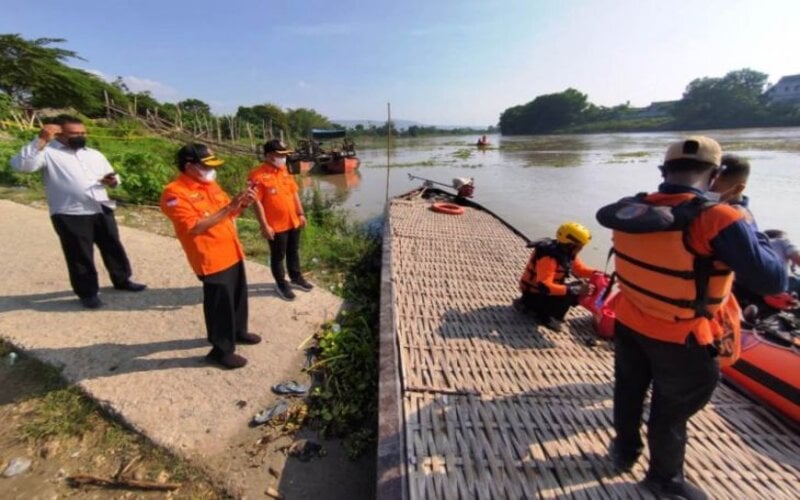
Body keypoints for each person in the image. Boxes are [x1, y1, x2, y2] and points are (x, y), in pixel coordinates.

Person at [598, 136, 786, 499]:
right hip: (683, 338)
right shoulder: (720, 218)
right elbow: (771, 280)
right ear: (715, 176)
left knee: (629, 389)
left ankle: (624, 450)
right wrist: (744, 215)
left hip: (630, 320)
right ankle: (663, 480)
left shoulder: (634, 208)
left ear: (662, 171)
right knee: (672, 410)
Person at [10, 115, 146, 309]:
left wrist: (113, 181)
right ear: (58, 133)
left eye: (83, 132)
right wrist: (40, 140)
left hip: (100, 206)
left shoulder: (94, 154)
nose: (80, 136)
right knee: (80, 254)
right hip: (69, 212)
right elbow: (22, 166)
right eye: (74, 133)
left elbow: (114, 176)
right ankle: (88, 292)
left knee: (112, 246)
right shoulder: (47, 153)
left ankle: (122, 280)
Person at [160, 144, 259, 369]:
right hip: (210, 258)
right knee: (219, 305)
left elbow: (228, 211)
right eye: (206, 166)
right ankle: (220, 350)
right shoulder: (174, 193)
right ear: (189, 166)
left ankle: (238, 331)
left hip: (231, 250)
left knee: (237, 296)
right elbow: (195, 227)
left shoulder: (210, 185)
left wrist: (242, 203)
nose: (211, 171)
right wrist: (230, 207)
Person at [248, 139, 314, 301]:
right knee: (278, 256)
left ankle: (296, 277)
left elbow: (294, 193)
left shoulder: (285, 170)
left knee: (294, 251)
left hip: (293, 221)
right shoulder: (257, 175)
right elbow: (256, 203)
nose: (284, 158)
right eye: (281, 155)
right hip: (276, 225)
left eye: (285, 155)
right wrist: (264, 226)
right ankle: (281, 283)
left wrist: (301, 213)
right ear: (269, 155)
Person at [513, 222, 597, 329]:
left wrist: (599, 273)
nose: (581, 249)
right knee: (573, 291)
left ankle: (539, 308)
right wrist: (574, 289)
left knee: (579, 286)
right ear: (570, 245)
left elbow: (580, 270)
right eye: (580, 246)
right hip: (534, 294)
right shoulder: (549, 258)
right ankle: (546, 316)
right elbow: (545, 287)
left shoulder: (566, 253)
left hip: (544, 293)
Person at [764, 229, 800, 295]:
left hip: (759, 288)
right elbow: (797, 258)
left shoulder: (757, 246)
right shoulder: (782, 240)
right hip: (783, 284)